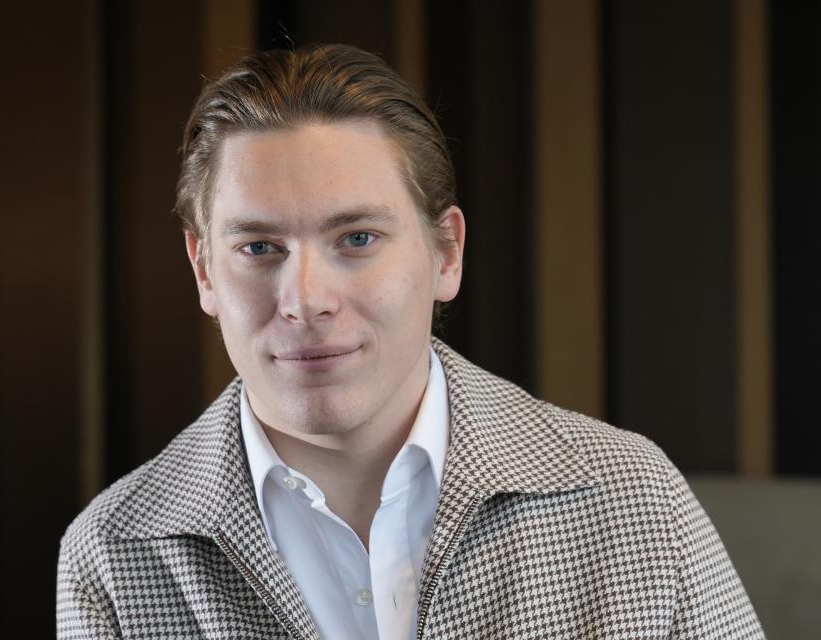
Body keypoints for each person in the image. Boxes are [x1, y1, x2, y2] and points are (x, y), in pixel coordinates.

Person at [57, 44, 764, 639]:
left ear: (446, 254)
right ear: (205, 270)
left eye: (357, 239)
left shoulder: (632, 500)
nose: (305, 300)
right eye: (260, 247)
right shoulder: (114, 555)